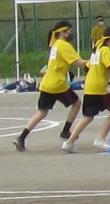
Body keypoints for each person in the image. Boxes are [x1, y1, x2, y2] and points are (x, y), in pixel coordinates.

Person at [12, 20, 87, 152]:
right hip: (58, 85)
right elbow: (80, 63)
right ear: (62, 32)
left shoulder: (55, 44)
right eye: (69, 31)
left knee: (42, 112)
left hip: (47, 84)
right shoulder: (64, 45)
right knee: (76, 103)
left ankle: (21, 137)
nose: (71, 33)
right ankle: (65, 131)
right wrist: (96, 62)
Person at [61, 27, 110, 153]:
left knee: (88, 117)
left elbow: (87, 67)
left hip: (90, 86)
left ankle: (69, 142)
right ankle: (100, 139)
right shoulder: (106, 50)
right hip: (98, 88)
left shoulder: (96, 49)